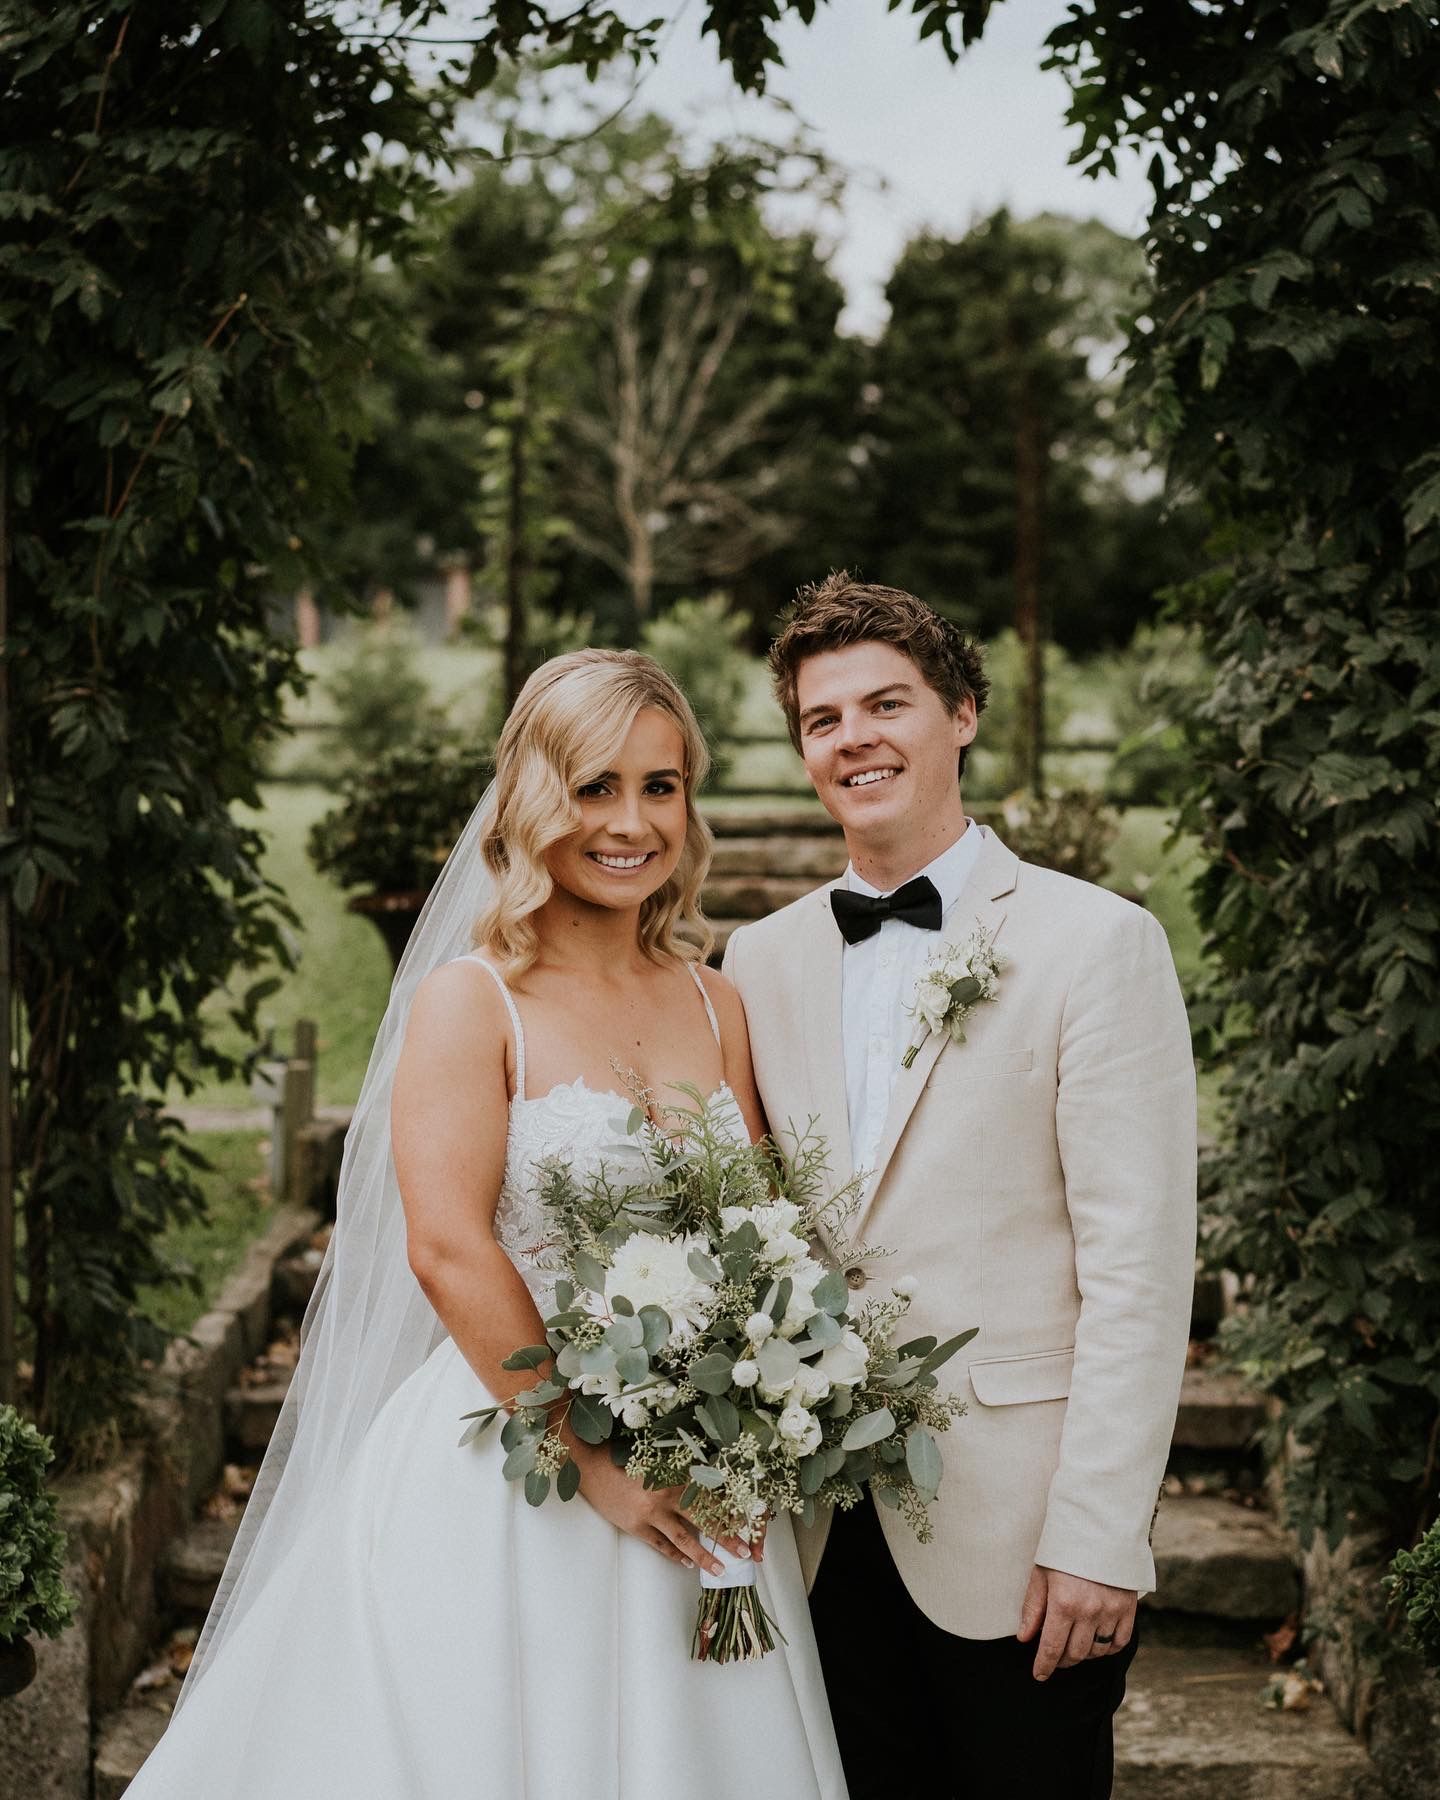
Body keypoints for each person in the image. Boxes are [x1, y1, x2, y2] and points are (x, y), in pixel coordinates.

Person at [129, 649, 846, 1799]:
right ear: (531, 799)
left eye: (661, 787)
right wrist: (598, 1461)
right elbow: (447, 1244)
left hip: (702, 1460)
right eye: (596, 786)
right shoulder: (477, 999)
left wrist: (759, 1403)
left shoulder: (717, 999)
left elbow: (759, 1225)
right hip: (525, 1462)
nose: (632, 822)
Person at [722, 574, 1197, 1800]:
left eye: (888, 703)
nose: (853, 739)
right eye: (823, 720)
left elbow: (1139, 1274)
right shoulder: (758, 961)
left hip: (1022, 1541)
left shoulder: (1097, 943)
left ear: (963, 713)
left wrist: (1101, 1536)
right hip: (819, 1531)